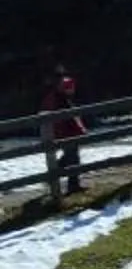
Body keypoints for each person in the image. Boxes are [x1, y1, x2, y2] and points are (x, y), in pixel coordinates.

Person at [42, 67, 84, 197]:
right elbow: (68, 118)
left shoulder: (59, 96)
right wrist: (78, 130)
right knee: (73, 158)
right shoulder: (59, 98)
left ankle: (53, 175)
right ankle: (72, 185)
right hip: (65, 133)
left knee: (70, 157)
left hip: (65, 132)